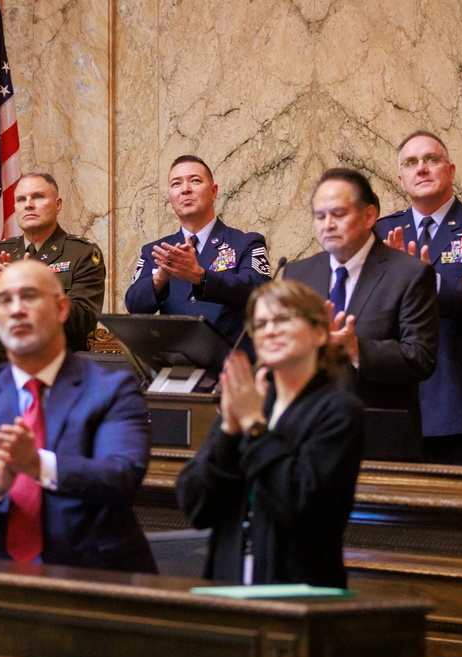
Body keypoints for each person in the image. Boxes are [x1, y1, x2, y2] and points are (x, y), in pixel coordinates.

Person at [0, 260, 157, 572]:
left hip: (95, 579)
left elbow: (121, 477)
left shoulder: (111, 389)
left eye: (29, 296)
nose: (16, 310)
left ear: (62, 308)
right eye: (5, 301)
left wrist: (38, 465)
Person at [176, 280, 364, 587]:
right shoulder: (252, 399)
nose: (270, 331)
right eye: (260, 324)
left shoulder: (338, 410)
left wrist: (253, 423)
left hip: (301, 592)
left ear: (319, 333)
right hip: (228, 587)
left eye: (283, 320)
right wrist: (229, 428)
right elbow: (195, 505)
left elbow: (298, 503)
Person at [377, 131, 462, 464]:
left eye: (431, 159)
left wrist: (433, 283)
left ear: (451, 171)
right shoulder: (382, 233)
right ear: (401, 178)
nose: (421, 168)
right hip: (401, 404)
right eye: (411, 163)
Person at [283, 168, 439, 427]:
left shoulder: (409, 274)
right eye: (319, 216)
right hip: (309, 428)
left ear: (369, 216)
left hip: (380, 432)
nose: (328, 224)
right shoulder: (298, 274)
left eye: (338, 214)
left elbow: (421, 358)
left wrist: (357, 349)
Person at [0, 172, 105, 367]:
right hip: (5, 372)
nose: (28, 204)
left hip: (61, 371)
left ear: (57, 204)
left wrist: (35, 291)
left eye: (38, 197)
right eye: (21, 199)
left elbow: (84, 319)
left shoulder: (81, 253)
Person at [124, 155, 271, 344]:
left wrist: (200, 276)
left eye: (195, 181)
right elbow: (134, 305)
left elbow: (261, 294)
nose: (185, 189)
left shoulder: (246, 243)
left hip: (230, 365)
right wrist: (159, 279)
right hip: (175, 367)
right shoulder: (156, 251)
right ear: (170, 196)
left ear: (213, 192)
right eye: (176, 184)